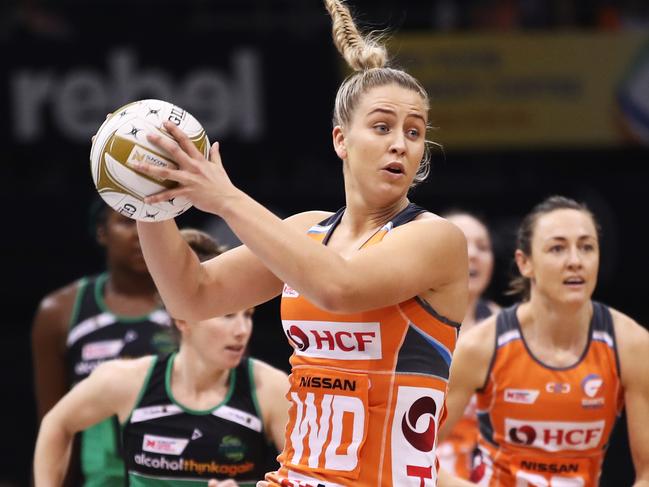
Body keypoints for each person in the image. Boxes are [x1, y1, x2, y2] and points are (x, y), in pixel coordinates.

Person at [124, 1, 472, 485]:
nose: (401, 143)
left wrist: (225, 198)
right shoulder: (307, 229)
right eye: (382, 126)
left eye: (414, 132)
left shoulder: (436, 239)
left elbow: (339, 288)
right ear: (340, 140)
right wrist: (145, 199)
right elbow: (192, 295)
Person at [34, 228, 290, 487]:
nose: (242, 331)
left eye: (248, 315)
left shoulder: (271, 389)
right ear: (182, 318)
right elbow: (56, 424)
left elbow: (311, 476)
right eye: (227, 316)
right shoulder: (128, 380)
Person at [440, 195, 649, 486]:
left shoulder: (633, 345)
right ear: (525, 263)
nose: (575, 261)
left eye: (587, 247)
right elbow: (414, 451)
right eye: (557, 248)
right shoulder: (481, 346)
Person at [31, 200, 176, 486]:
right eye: (127, 221)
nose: (140, 232)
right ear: (102, 232)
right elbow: (52, 428)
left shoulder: (194, 305)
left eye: (151, 220)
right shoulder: (59, 312)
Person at [437, 212, 500, 480]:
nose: (473, 254)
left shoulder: (508, 329)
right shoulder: (406, 324)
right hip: (423, 471)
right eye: (463, 244)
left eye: (483, 247)